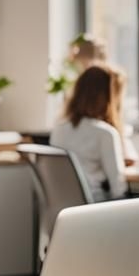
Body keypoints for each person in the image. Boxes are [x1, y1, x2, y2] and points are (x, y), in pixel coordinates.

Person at [51, 64, 129, 201]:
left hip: (63, 210)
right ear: (108, 96)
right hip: (94, 209)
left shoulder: (59, 129)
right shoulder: (105, 133)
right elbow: (118, 188)